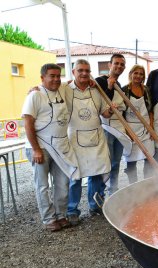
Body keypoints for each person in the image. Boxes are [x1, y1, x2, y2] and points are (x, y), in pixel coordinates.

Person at [22, 63, 79, 232]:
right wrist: (36, 149)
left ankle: (61, 215)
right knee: (42, 186)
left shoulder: (62, 88)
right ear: (42, 78)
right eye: (51, 76)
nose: (55, 79)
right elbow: (28, 123)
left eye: (57, 75)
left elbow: (75, 80)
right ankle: (48, 219)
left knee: (62, 183)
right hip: (40, 147)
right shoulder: (35, 95)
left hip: (60, 146)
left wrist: (90, 82)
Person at [65, 59, 114, 225]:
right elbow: (47, 90)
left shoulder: (95, 90)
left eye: (87, 70)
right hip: (75, 138)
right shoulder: (65, 89)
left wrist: (110, 110)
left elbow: (103, 113)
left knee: (97, 172)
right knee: (75, 176)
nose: (84, 73)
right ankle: (72, 210)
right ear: (74, 72)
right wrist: (34, 89)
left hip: (96, 136)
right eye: (80, 70)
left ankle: (95, 205)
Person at [95, 54, 129, 196]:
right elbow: (101, 105)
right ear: (109, 65)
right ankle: (97, 198)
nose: (119, 66)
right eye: (116, 63)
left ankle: (112, 192)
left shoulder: (119, 85)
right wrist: (109, 87)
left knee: (115, 164)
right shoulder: (99, 81)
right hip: (105, 128)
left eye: (122, 64)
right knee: (104, 164)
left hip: (119, 129)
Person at [122, 65, 154, 183]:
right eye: (136, 73)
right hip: (130, 130)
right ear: (130, 74)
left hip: (145, 129)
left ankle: (147, 184)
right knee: (131, 162)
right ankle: (134, 186)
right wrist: (127, 132)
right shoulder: (124, 90)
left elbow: (150, 110)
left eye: (141, 74)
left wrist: (151, 128)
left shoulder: (146, 90)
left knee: (149, 159)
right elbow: (121, 114)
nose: (138, 76)